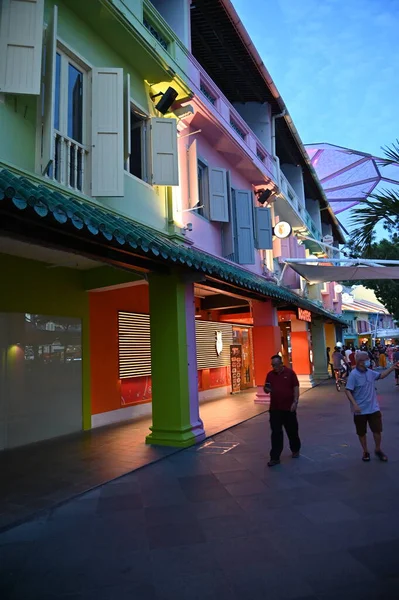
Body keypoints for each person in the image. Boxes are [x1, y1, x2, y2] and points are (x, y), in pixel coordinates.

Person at [345, 351, 399, 462]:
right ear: (360, 362)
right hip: (360, 410)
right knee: (361, 432)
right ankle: (365, 451)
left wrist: (392, 368)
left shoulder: (370, 372)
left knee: (377, 430)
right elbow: (348, 391)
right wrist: (354, 404)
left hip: (373, 408)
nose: (369, 360)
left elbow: (381, 376)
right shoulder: (353, 375)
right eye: (366, 359)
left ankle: (378, 449)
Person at [264, 355, 301, 467]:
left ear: (281, 363)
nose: (274, 367)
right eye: (272, 365)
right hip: (275, 409)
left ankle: (295, 449)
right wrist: (267, 389)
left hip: (288, 408)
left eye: (276, 365)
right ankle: (275, 457)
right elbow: (266, 389)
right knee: (276, 433)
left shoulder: (290, 373)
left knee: (292, 430)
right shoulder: (270, 375)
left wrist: (295, 402)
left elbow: (295, 387)